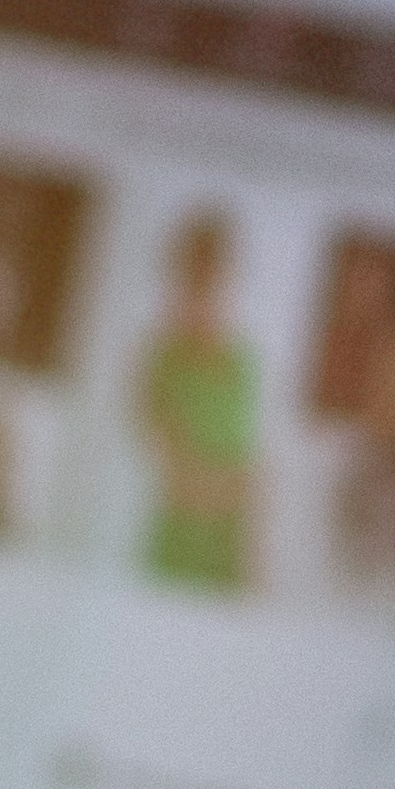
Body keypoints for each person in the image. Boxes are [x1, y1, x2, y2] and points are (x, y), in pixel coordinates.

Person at [134, 208, 259, 593]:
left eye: (214, 272)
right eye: (195, 271)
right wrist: (227, 487)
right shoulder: (157, 360)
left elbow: (252, 477)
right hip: (176, 548)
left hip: (231, 551)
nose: (205, 284)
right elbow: (174, 476)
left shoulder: (242, 361)